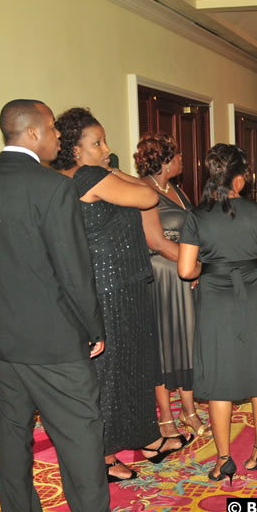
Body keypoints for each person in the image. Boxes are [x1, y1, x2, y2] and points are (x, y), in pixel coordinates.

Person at [0, 99, 117, 512]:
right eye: (52, 129)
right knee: (80, 439)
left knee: (11, 440)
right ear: (31, 133)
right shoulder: (53, 187)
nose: (58, 137)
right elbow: (73, 269)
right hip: (55, 343)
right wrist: (93, 327)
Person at [51, 107, 190, 483]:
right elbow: (148, 197)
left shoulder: (67, 177)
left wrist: (114, 170)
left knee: (131, 366)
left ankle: (145, 439)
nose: (106, 149)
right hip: (114, 287)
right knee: (113, 372)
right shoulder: (91, 175)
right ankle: (106, 455)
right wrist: (115, 170)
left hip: (115, 283)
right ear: (75, 150)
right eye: (97, 142)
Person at [177, 144, 257, 485]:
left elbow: (185, 270)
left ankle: (224, 460)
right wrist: (247, 267)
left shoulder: (197, 215)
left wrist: (210, 271)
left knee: (219, 378)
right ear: (240, 177)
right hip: (252, 294)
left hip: (214, 299)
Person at [136, 133, 210, 440]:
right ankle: (166, 415)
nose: (182, 159)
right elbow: (157, 241)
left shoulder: (175, 189)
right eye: (177, 154)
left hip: (183, 274)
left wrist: (197, 266)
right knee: (164, 347)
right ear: (165, 161)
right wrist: (195, 266)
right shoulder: (144, 191)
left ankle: (189, 409)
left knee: (187, 342)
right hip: (162, 276)